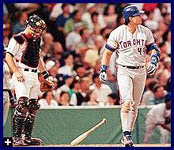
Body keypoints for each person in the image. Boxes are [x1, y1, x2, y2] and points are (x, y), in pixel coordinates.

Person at [99, 5, 160, 147]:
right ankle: (126, 135)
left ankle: (128, 133)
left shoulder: (145, 31)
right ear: (130, 18)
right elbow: (107, 53)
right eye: (138, 15)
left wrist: (153, 60)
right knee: (127, 102)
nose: (141, 17)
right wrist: (103, 69)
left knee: (135, 106)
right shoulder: (117, 32)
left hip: (140, 70)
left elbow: (153, 49)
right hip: (124, 70)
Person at [5, 14, 53, 146]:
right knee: (23, 105)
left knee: (33, 106)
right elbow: (9, 57)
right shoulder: (18, 38)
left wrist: (45, 74)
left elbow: (38, 58)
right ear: (29, 25)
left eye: (40, 29)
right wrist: (16, 72)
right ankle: (16, 138)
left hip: (34, 74)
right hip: (22, 72)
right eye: (36, 28)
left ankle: (27, 137)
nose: (38, 31)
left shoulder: (37, 39)